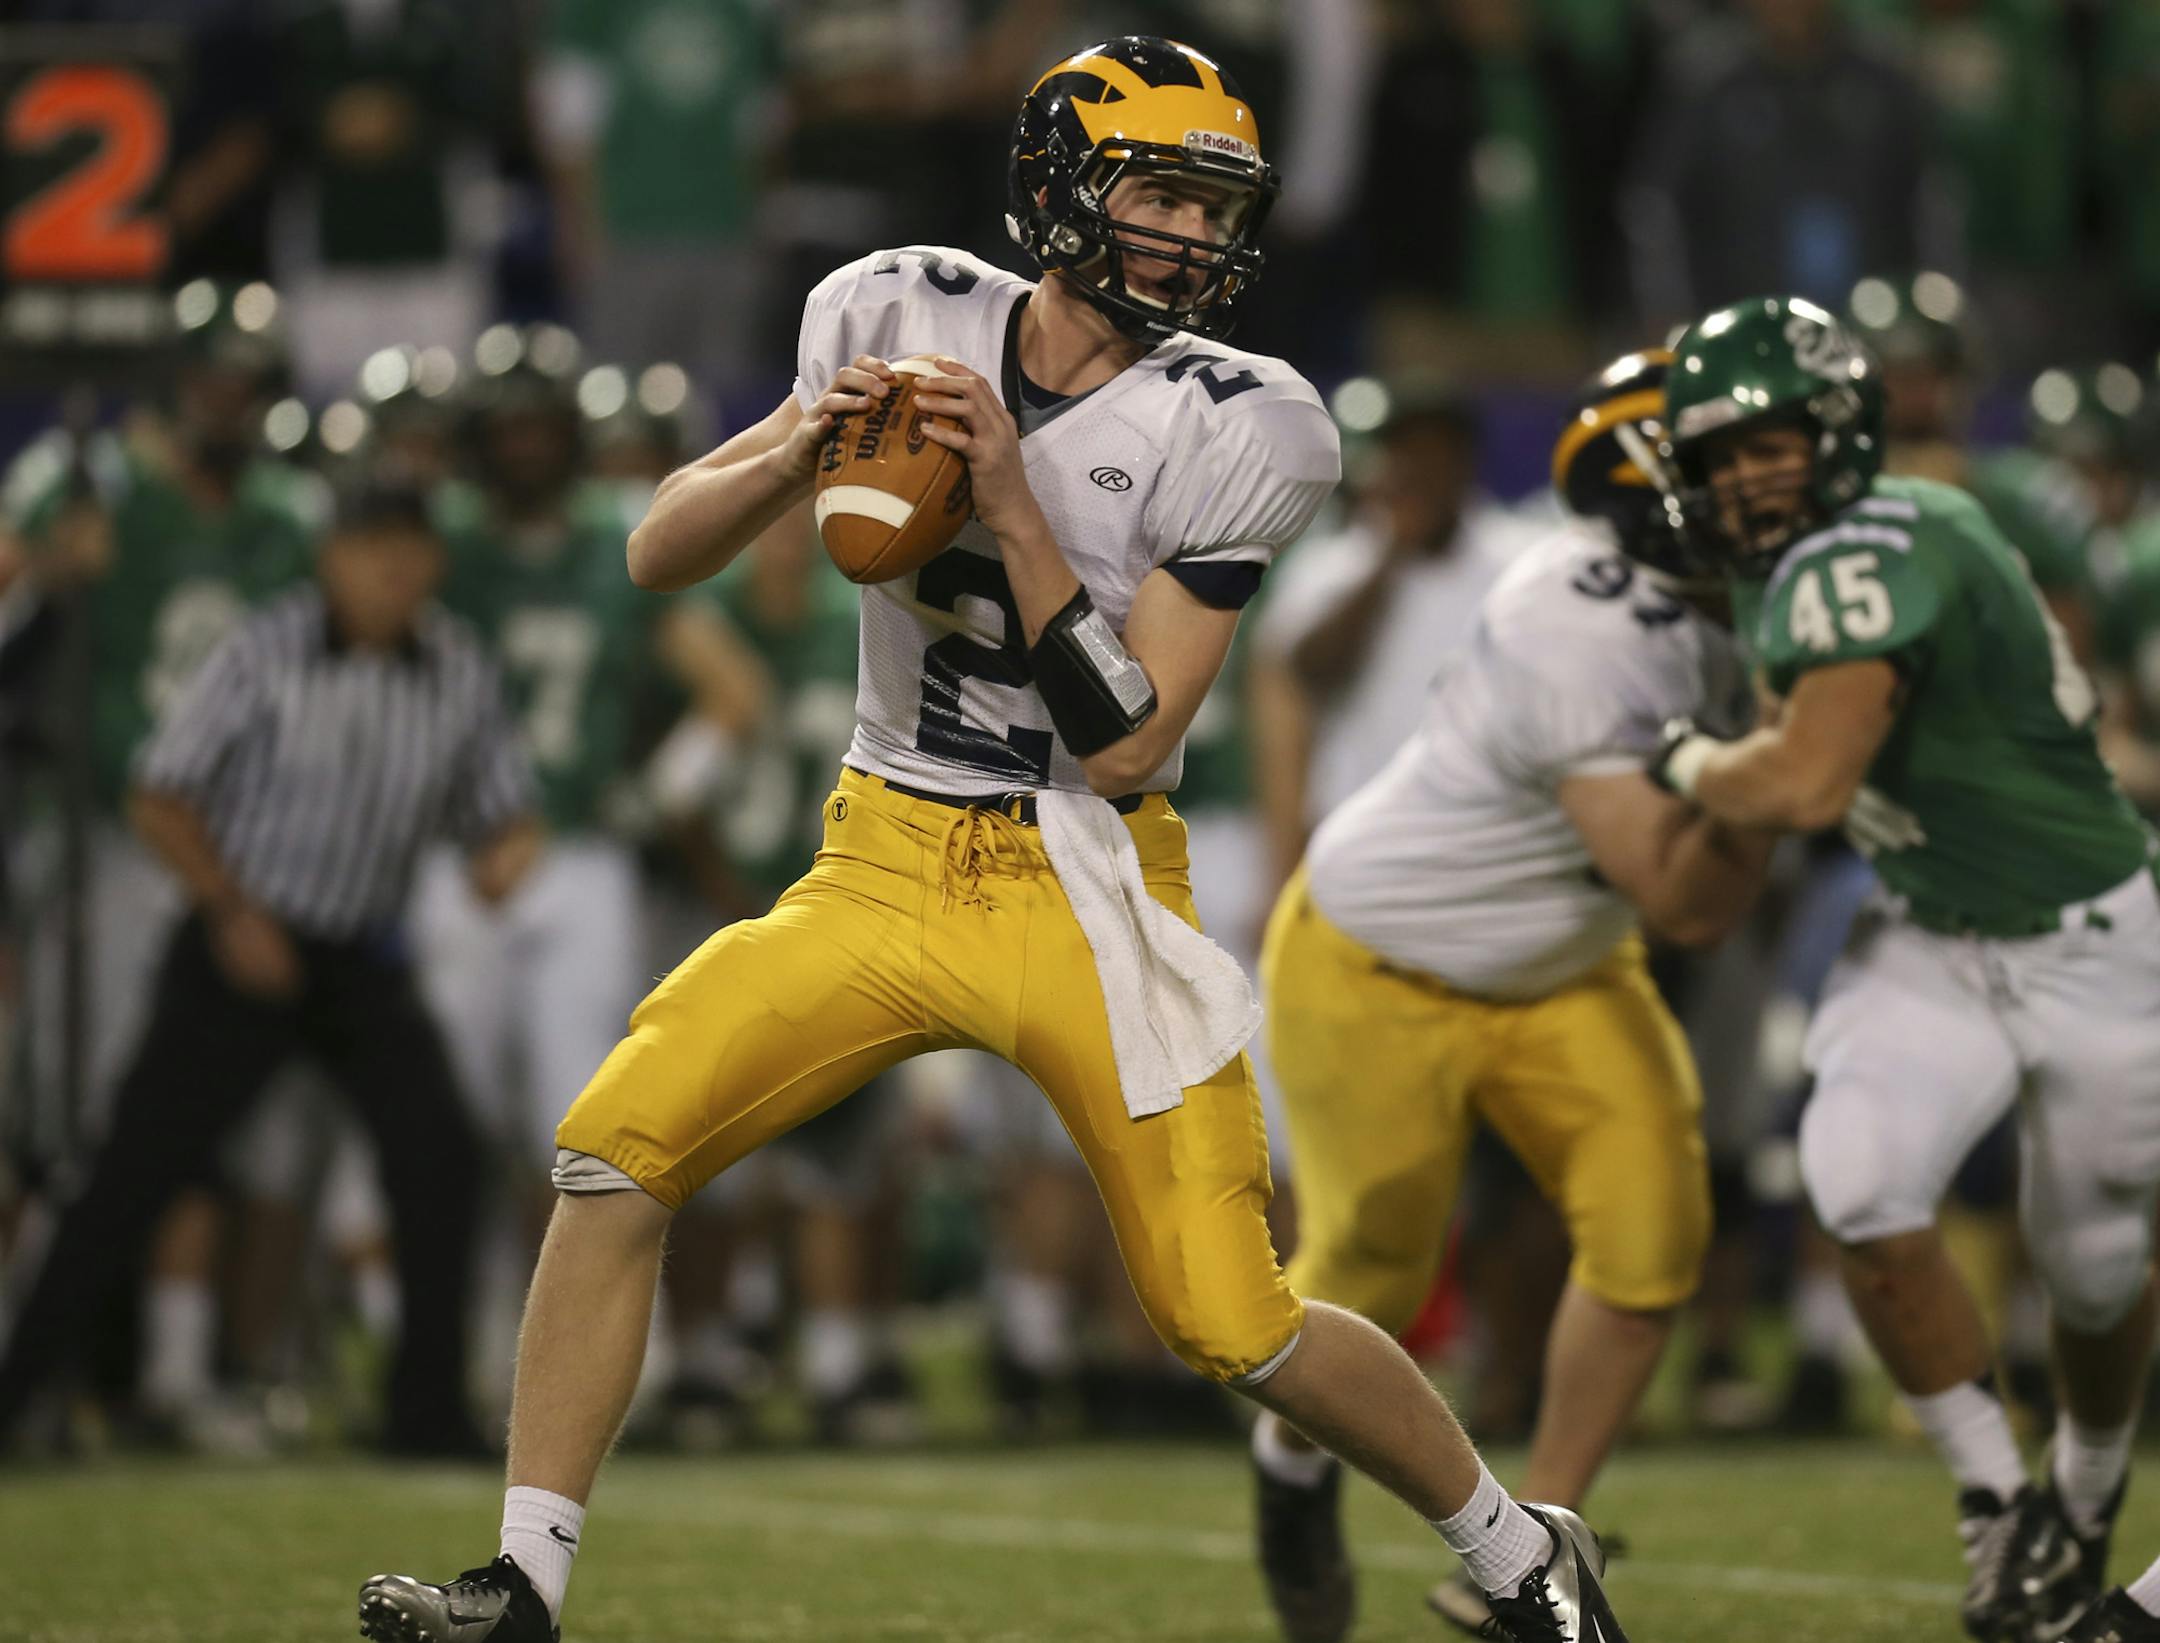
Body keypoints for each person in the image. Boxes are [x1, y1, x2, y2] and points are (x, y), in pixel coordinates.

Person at [357, 35, 1629, 1643]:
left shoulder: (1244, 416)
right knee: (616, 1148)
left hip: (1086, 879)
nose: (1191, 232)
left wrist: (1015, 505)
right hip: (882, 852)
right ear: (1059, 188)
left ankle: (1523, 1554)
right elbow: (659, 550)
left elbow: (1136, 736)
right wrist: (813, 430)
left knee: (1230, 1316)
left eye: (1210, 201)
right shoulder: (891, 307)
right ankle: (522, 1584)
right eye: (1159, 192)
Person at [1650, 295, 2160, 1643]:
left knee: (2097, 1267)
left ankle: (2088, 1487)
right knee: (1858, 1180)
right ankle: (2004, 1505)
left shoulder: (1890, 535)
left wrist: (1688, 763)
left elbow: (1808, 780)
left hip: (2088, 933)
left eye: (1777, 439)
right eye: (1724, 447)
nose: (1752, 469)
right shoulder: (1790, 561)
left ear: (1844, 430)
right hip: (1931, 919)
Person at [1251, 350, 1773, 1641]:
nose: (1766, 481)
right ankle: (1287, 1473)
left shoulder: (1729, 583)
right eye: (1728, 461)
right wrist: (1798, 746)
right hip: (1379, 956)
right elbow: (1688, 897)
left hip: (1560, 964)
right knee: (1369, 1266)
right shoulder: (1576, 618)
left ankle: (1538, 1544)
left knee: (1656, 1228)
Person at [0, 474, 540, 1456]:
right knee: (134, 1166)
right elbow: (161, 793)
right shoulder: (263, 647)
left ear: (435, 561)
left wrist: (502, 856)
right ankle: (18, 1391)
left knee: (441, 1156)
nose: (391, 565)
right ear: (331, 556)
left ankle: (423, 1410)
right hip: (241, 939)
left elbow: (500, 809)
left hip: (361, 959)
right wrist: (228, 906)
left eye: (409, 545)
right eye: (371, 543)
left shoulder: (458, 666)